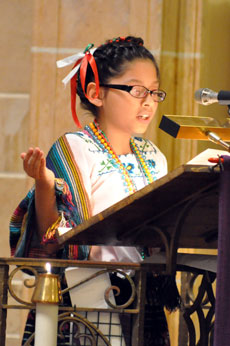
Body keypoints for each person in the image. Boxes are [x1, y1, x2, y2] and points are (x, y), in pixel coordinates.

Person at [10, 36, 172, 345]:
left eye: (154, 91)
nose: (148, 101)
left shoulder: (154, 156)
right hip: (88, 290)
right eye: (137, 90)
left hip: (141, 293)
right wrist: (44, 183)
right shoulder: (76, 148)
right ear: (96, 93)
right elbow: (58, 235)